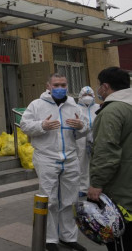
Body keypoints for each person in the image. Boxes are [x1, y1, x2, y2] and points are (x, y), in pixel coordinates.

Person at [20, 73, 88, 251]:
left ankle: (68, 237)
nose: (60, 88)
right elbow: (24, 125)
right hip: (46, 157)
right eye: (56, 85)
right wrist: (42, 125)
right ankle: (50, 239)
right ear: (48, 86)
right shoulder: (37, 105)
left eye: (63, 85)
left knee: (70, 199)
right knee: (49, 200)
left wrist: (81, 127)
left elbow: (85, 128)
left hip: (70, 157)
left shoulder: (74, 105)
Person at [87, 67, 132, 251]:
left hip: (121, 193)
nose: (98, 90)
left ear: (105, 87)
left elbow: (106, 152)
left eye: (99, 85)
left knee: (121, 241)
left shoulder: (112, 111)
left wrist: (96, 183)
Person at [76, 86, 100, 196]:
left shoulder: (98, 107)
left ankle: (96, 185)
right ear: (80, 96)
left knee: (96, 163)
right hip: (80, 138)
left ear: (94, 96)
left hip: (95, 137)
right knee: (82, 163)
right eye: (85, 95)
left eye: (89, 95)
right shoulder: (76, 108)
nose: (87, 97)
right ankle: (82, 188)